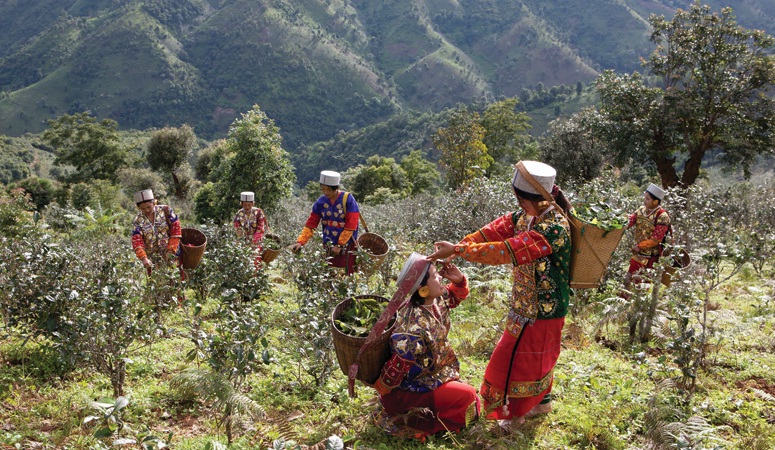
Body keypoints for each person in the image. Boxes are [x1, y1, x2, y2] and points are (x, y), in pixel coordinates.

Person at [429, 161, 573, 431]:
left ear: (534, 198)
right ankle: (541, 404)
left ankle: (511, 415)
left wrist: (459, 251)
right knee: (537, 359)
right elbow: (492, 232)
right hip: (525, 306)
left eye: (522, 201)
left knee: (510, 364)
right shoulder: (526, 217)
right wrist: (463, 244)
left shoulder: (553, 229)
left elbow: (507, 251)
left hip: (543, 311)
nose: (520, 206)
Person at [372, 252, 479, 440]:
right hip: (413, 389)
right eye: (435, 275)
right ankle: (420, 424)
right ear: (422, 290)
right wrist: (385, 392)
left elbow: (453, 296)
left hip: (434, 374)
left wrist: (460, 280)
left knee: (472, 400)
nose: (441, 278)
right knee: (469, 398)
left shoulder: (433, 300)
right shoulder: (412, 328)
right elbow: (396, 368)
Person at [290, 170, 360, 275]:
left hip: (347, 244)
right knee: (328, 272)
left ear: (336, 188)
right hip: (328, 243)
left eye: (329, 190)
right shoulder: (320, 202)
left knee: (348, 272)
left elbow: (351, 224)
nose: (326, 192)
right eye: (323, 189)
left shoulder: (348, 200)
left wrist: (340, 245)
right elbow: (311, 224)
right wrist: (300, 242)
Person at [623, 183, 671, 289]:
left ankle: (637, 304)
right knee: (629, 280)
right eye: (645, 198)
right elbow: (631, 220)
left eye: (647, 199)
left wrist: (639, 246)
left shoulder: (662, 216)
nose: (644, 201)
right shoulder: (641, 210)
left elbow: (656, 239)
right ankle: (625, 302)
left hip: (650, 257)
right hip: (638, 254)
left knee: (641, 284)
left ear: (655, 201)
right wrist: (619, 223)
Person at [131, 189, 182, 275]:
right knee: (157, 283)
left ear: (154, 202)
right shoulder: (138, 220)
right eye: (143, 208)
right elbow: (137, 241)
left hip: (172, 254)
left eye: (148, 207)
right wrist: (143, 258)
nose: (147, 210)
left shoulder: (166, 210)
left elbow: (176, 231)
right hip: (152, 258)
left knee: (174, 279)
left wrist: (171, 250)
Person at [233, 191, 268, 268]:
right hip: (243, 241)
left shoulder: (258, 212)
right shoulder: (239, 214)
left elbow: (260, 228)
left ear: (253, 204)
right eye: (245, 205)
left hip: (256, 241)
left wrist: (253, 241)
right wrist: (242, 240)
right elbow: (237, 228)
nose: (247, 207)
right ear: (241, 204)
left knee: (256, 260)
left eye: (249, 205)